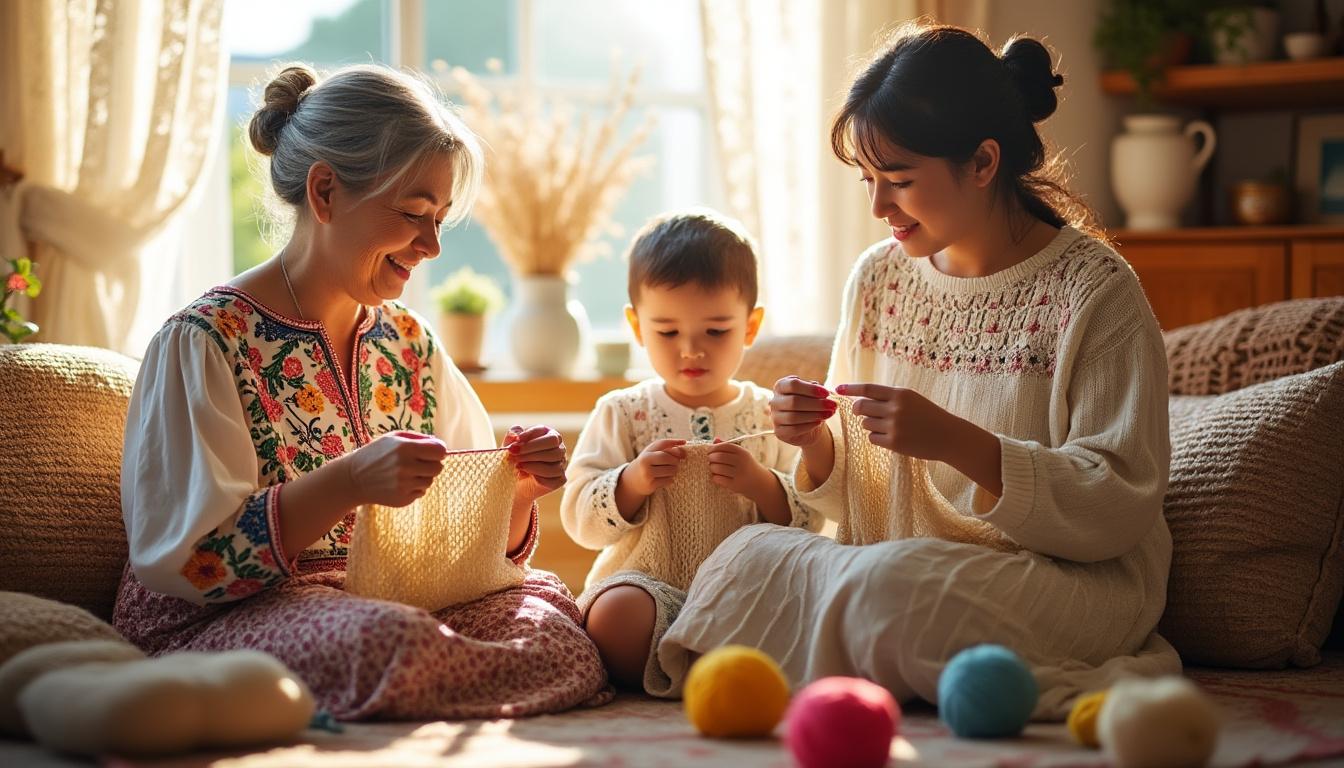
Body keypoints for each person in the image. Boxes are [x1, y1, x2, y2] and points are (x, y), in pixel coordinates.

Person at [654, 24, 1182, 717]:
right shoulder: (878, 280)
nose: (878, 207)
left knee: (899, 588)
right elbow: (836, 499)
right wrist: (814, 439)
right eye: (868, 180)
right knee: (745, 553)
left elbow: (1119, 502)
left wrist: (956, 441)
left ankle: (836, 670)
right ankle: (867, 654)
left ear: (984, 162)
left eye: (898, 180)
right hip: (892, 565)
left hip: (1062, 582)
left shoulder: (1095, 294)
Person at [113, 63, 609, 720]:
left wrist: (514, 493)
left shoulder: (410, 344)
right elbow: (195, 563)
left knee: (555, 621)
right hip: (222, 622)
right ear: (325, 193)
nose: (431, 245)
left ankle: (412, 687)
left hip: (387, 603)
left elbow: (469, 551)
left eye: (441, 219)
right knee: (388, 641)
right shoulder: (205, 342)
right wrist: (346, 482)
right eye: (413, 213)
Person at [560, 209, 820, 693]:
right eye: (667, 332)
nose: (691, 351)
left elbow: (814, 517)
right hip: (649, 585)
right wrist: (630, 482)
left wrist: (761, 485)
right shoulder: (623, 411)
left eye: (716, 331)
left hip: (746, 590)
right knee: (614, 617)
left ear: (751, 326)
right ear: (637, 327)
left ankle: (713, 668)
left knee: (808, 611)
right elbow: (579, 517)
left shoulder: (770, 415)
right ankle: (703, 668)